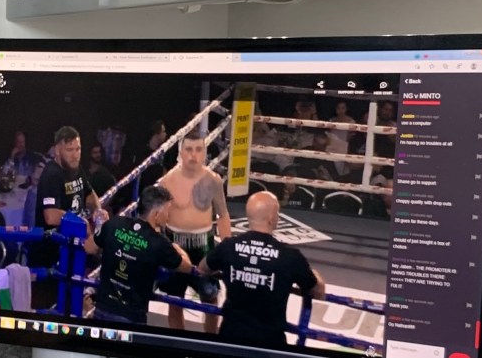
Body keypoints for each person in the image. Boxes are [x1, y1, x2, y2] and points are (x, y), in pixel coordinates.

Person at [200, 191, 325, 349]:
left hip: (230, 336)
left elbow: (202, 269)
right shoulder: (289, 256)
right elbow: (317, 291)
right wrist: (316, 275)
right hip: (269, 342)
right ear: (272, 218)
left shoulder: (228, 247)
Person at [158, 133, 231, 333]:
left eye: (198, 150)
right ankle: (178, 344)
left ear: (205, 153)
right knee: (174, 300)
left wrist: (227, 251)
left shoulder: (213, 180)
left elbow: (223, 215)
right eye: (189, 149)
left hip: (204, 244)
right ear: (181, 153)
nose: (193, 155)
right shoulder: (167, 181)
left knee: (211, 299)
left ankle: (209, 343)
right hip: (175, 243)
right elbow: (158, 218)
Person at [92, 186, 192, 325]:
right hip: (132, 316)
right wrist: (176, 247)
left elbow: (89, 247)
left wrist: (100, 226)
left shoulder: (114, 223)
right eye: (167, 211)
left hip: (103, 308)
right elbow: (187, 267)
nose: (168, 216)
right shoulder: (159, 243)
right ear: (156, 214)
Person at [29, 126, 100, 308]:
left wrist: (98, 211)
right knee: (54, 307)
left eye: (78, 149)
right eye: (70, 150)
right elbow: (51, 216)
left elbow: (89, 193)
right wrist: (80, 222)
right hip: (51, 253)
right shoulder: (51, 175)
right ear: (57, 150)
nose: (75, 155)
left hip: (72, 248)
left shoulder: (76, 168)